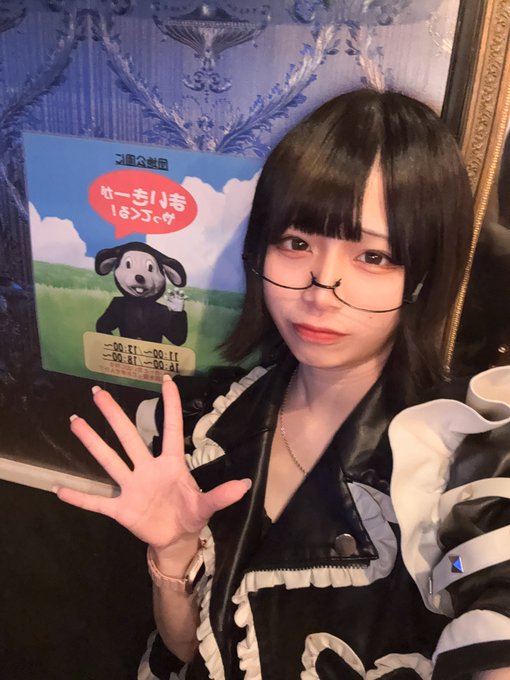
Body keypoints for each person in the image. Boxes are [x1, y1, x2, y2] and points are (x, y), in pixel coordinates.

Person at [56, 89, 510, 679]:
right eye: (297, 243)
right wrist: (172, 553)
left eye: (373, 257)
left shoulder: (464, 465)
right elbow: (188, 652)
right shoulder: (207, 422)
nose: (321, 289)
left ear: (421, 276)